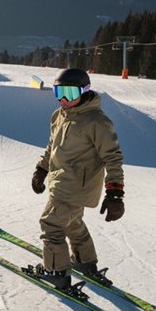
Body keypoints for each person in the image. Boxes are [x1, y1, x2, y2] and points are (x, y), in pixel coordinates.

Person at [30, 68, 125, 292]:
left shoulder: (97, 122)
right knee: (72, 223)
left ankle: (57, 272)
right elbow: (52, 146)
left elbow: (113, 158)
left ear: (84, 92)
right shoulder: (59, 115)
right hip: (60, 181)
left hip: (76, 186)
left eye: (70, 94)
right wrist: (41, 169)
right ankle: (85, 262)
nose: (64, 99)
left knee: (51, 224)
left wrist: (115, 193)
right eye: (58, 92)